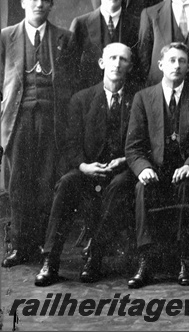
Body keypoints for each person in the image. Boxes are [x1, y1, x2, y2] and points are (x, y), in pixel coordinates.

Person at [34, 43, 137, 286]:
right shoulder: (81, 99)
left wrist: (124, 160)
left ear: (130, 67)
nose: (117, 63)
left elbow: (143, 140)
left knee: (119, 187)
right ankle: (50, 261)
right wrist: (83, 166)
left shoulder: (138, 99)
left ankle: (95, 255)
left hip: (122, 169)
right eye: (112, 58)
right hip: (88, 168)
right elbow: (70, 143)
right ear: (102, 63)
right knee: (67, 183)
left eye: (123, 59)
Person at [125, 42, 189, 289]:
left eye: (182, 61)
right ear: (161, 65)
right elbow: (133, 146)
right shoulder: (143, 97)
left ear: (188, 66)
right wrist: (143, 168)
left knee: (187, 186)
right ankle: (146, 261)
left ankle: (186, 260)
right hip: (155, 169)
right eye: (171, 60)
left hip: (185, 169)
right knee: (142, 189)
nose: (176, 65)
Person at [1, 0, 74, 268]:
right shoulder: (6, 36)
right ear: (23, 2)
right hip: (19, 120)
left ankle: (45, 246)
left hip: (52, 120)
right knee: (19, 184)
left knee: (46, 182)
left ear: (51, 5)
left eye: (45, 0)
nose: (39, 5)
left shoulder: (64, 38)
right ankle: (20, 247)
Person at [71, 0, 140, 91]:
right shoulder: (80, 24)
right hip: (89, 97)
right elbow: (71, 67)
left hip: (127, 96)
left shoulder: (138, 24)